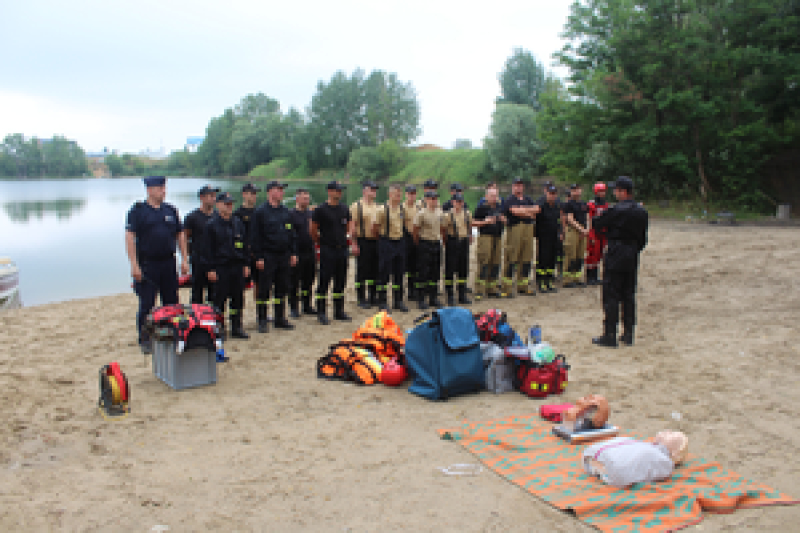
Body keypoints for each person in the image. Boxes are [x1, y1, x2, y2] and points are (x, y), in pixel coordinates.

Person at [125, 176, 189, 354]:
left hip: (168, 262)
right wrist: (134, 265)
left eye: (164, 188)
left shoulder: (171, 210)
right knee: (147, 304)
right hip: (147, 264)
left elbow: (180, 234)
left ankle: (171, 333)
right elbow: (130, 237)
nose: (164, 191)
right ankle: (145, 339)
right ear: (150, 190)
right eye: (160, 188)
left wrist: (184, 259)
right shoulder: (138, 211)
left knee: (172, 302)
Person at [591, 176, 649, 347]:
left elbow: (597, 224)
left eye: (616, 190)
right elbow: (643, 239)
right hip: (632, 252)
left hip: (616, 251)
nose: (614, 193)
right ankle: (628, 333)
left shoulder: (616, 210)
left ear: (623, 191)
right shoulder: (641, 211)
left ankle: (610, 334)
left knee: (611, 294)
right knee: (628, 294)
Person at [201, 192, 249, 341]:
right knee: (219, 300)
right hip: (220, 267)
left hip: (237, 266)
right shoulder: (211, 225)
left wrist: (246, 264)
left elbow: (244, 245)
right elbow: (206, 250)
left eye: (231, 203)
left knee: (238, 299)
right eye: (226, 203)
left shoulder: (238, 223)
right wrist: (210, 269)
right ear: (218, 205)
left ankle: (236, 327)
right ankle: (219, 330)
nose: (229, 206)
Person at [251, 180, 298, 333]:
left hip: (283, 255)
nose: (282, 192)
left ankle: (279, 318)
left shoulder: (285, 212)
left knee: (281, 288)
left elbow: (291, 233)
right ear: (270, 191)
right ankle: (262, 320)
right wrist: (259, 257)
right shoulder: (260, 212)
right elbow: (255, 237)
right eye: (279, 189)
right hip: (267, 256)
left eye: (282, 190)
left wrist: (293, 252)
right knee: (264, 290)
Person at [311, 181, 354, 324]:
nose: (339, 193)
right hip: (327, 249)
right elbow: (313, 230)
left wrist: (348, 235)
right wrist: (321, 242)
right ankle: (321, 312)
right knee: (324, 281)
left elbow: (349, 225)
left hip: (342, 250)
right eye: (337, 190)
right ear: (329, 191)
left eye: (341, 190)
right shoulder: (321, 210)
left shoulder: (344, 208)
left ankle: (338, 311)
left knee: (340, 281)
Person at [583, 431, 688, 488]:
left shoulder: (663, 460)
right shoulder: (644, 444)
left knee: (643, 453)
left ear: (675, 452)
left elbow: (657, 470)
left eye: (672, 434)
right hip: (598, 456)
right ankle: (600, 468)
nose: (668, 431)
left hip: (613, 467)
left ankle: (602, 469)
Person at [372, 184, 409, 312]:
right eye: (396, 194)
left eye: (400, 194)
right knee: (384, 273)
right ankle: (382, 301)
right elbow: (374, 228)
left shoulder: (402, 209)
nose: (399, 196)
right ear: (390, 194)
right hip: (386, 242)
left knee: (399, 273)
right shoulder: (381, 210)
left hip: (400, 242)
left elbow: (404, 224)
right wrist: (383, 240)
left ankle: (398, 301)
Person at [502, 177, 539, 297]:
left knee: (526, 258)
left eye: (520, 185)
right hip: (515, 229)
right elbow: (514, 211)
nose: (519, 187)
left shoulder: (528, 199)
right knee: (511, 258)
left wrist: (523, 210)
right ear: (513, 187)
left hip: (528, 230)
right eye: (516, 185)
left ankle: (523, 286)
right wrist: (528, 213)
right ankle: (507, 288)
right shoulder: (510, 199)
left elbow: (537, 209)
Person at [183, 184, 219, 304]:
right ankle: (195, 313)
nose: (213, 198)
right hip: (198, 260)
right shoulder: (192, 217)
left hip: (215, 260)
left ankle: (212, 313)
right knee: (197, 291)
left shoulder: (218, 216)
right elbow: (185, 238)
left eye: (214, 195)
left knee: (215, 292)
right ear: (202, 197)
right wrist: (187, 256)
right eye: (210, 195)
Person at [350, 180, 381, 309]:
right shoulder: (356, 206)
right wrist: (354, 244)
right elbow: (352, 226)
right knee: (362, 270)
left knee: (375, 270)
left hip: (375, 241)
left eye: (375, 190)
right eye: (371, 189)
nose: (374, 192)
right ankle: (361, 298)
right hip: (362, 240)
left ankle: (373, 296)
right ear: (364, 191)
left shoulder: (378, 206)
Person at [472, 184, 506, 300]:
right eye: (492, 196)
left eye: (496, 195)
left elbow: (506, 220)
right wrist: (485, 222)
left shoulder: (500, 206)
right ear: (486, 196)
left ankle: (492, 289)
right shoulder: (481, 207)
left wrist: (504, 220)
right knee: (484, 262)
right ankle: (479, 290)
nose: (494, 198)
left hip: (498, 237)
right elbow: (472, 222)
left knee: (495, 263)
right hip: (485, 237)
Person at [413, 190, 445, 310]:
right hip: (424, 244)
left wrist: (440, 241)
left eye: (436, 198)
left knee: (435, 272)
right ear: (426, 199)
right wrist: (420, 244)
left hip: (436, 244)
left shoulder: (440, 212)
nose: (434, 200)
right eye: (432, 198)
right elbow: (415, 230)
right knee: (423, 273)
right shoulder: (421, 213)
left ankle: (433, 298)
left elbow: (442, 228)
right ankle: (421, 299)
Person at [288, 187, 316, 318]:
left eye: (308, 198)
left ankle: (307, 305)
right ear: (297, 199)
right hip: (297, 253)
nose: (307, 200)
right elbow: (289, 235)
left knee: (308, 281)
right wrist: (292, 253)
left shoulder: (311, 214)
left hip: (310, 251)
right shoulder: (291, 214)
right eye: (304, 198)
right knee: (294, 282)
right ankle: (293, 308)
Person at [441, 193, 472, 306]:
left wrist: (470, 236)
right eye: (457, 201)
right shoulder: (448, 215)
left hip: (464, 242)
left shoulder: (467, 213)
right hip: (453, 241)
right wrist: (446, 242)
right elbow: (443, 229)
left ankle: (462, 295)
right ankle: (450, 295)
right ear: (453, 202)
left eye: (461, 201)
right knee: (450, 269)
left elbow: (469, 226)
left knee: (463, 269)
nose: (459, 204)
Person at [234, 182, 261, 301]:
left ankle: (260, 309)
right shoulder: (237, 214)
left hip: (257, 253)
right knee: (241, 285)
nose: (255, 196)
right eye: (252, 193)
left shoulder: (259, 212)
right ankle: (239, 308)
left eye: (255, 193)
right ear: (244, 194)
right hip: (243, 254)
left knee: (259, 282)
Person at [561, 184, 591, 288]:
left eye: (577, 190)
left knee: (580, 256)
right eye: (574, 190)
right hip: (573, 231)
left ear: (581, 190)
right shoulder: (568, 204)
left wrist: (587, 229)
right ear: (571, 192)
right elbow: (570, 219)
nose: (576, 192)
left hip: (583, 231)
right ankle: (567, 280)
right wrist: (581, 229)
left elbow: (587, 217)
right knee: (571, 255)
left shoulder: (584, 204)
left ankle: (577, 278)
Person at [535, 184, 562, 293]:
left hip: (554, 236)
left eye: (554, 194)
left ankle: (549, 281)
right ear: (546, 194)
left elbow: (559, 220)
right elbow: (535, 220)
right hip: (543, 237)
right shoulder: (541, 206)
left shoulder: (556, 206)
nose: (552, 196)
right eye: (550, 194)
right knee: (543, 259)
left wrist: (561, 232)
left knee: (552, 259)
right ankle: (541, 282)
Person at [585, 182, 610, 285]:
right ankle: (590, 277)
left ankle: (595, 276)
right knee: (592, 254)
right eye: (600, 191)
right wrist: (590, 235)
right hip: (594, 232)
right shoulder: (591, 204)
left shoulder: (606, 204)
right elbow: (589, 220)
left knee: (599, 254)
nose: (602, 193)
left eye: (603, 191)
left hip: (603, 233)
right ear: (596, 192)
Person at [403, 185, 420, 302]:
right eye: (410, 193)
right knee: (406, 265)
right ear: (406, 194)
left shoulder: (418, 207)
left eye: (413, 193)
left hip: (416, 237)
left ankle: (413, 289)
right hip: (406, 237)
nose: (412, 196)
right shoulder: (402, 207)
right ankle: (407, 290)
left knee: (415, 265)